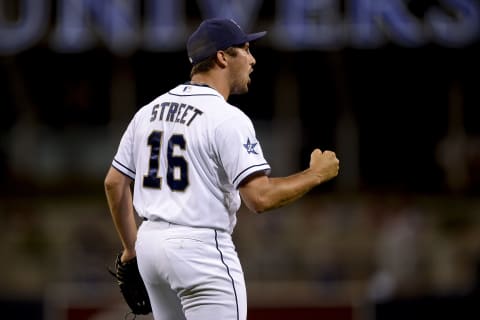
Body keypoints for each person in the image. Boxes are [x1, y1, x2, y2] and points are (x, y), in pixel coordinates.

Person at [104, 18, 340, 320]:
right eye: (245, 49)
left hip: (150, 246)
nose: (253, 59)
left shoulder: (148, 112)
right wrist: (315, 175)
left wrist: (130, 249)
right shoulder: (226, 118)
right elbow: (260, 198)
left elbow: (114, 183)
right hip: (200, 251)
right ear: (221, 56)